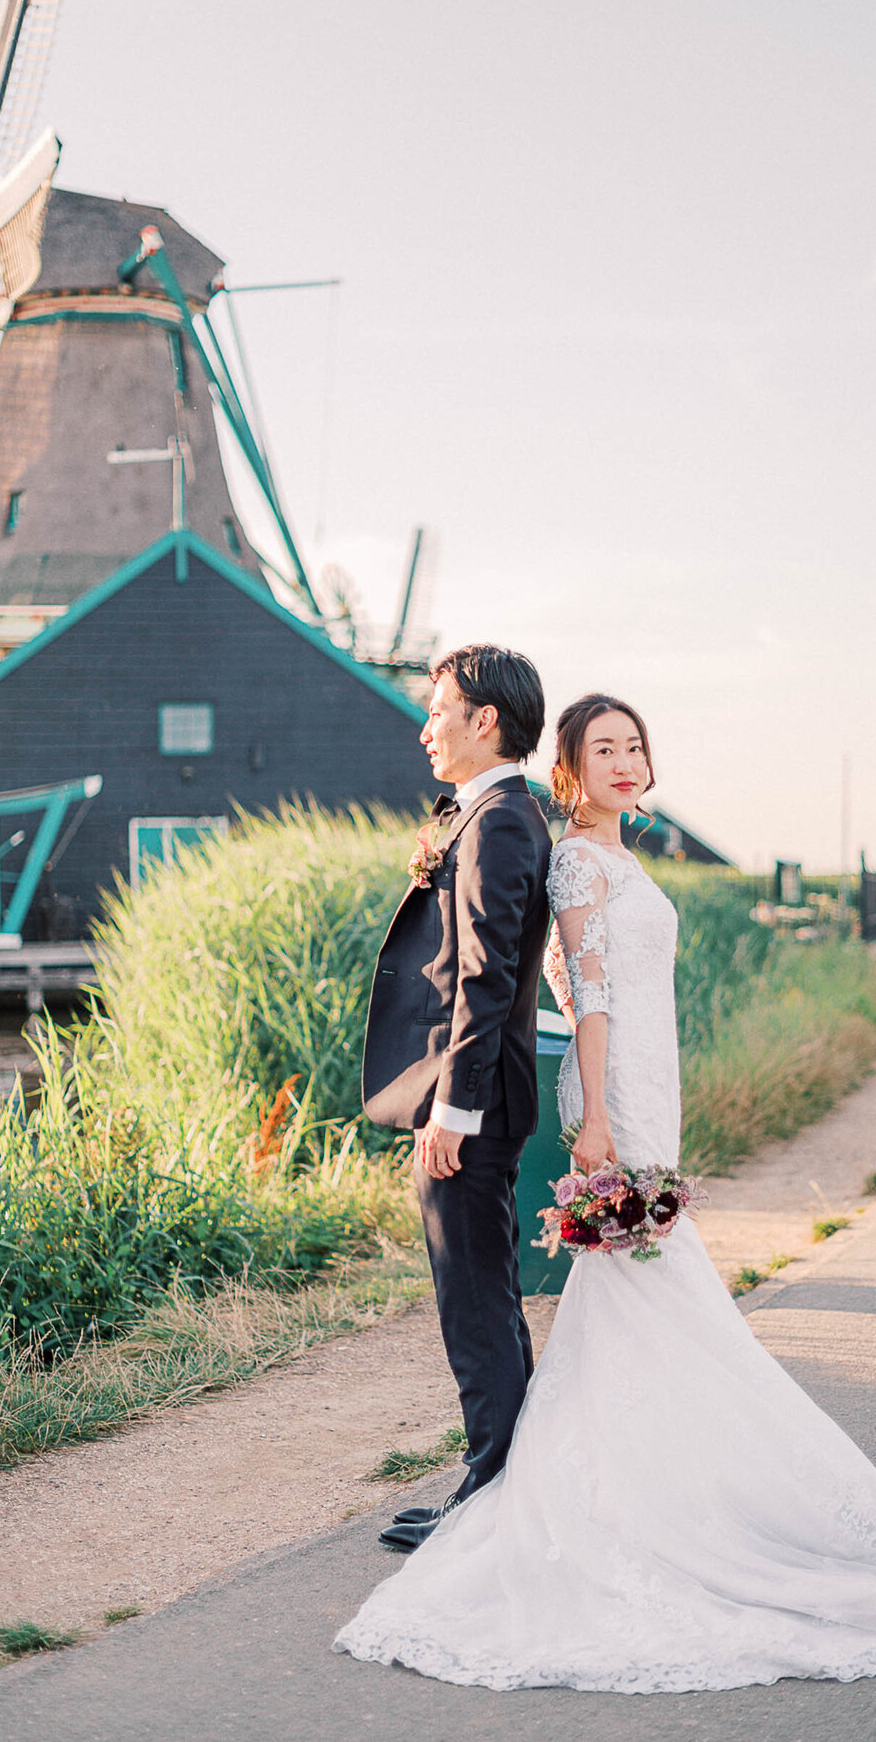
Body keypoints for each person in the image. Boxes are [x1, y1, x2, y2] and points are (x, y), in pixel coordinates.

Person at [335, 692, 876, 1693]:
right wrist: (597, 1114)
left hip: (653, 1081)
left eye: (634, 746)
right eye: (602, 748)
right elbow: (586, 991)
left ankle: (631, 1471)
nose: (624, 761)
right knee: (650, 1278)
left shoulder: (626, 856)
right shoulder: (574, 855)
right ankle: (590, 1485)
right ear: (569, 766)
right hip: (617, 1092)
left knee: (643, 1283)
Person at [361, 643, 552, 1552]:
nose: (424, 724)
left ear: (486, 721)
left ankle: (489, 1493)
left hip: (468, 1105)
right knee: (486, 1293)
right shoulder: (487, 814)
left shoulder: (504, 819)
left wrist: (454, 1110)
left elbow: (487, 977)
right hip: (466, 1099)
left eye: (438, 707)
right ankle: (502, 1477)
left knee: (473, 1298)